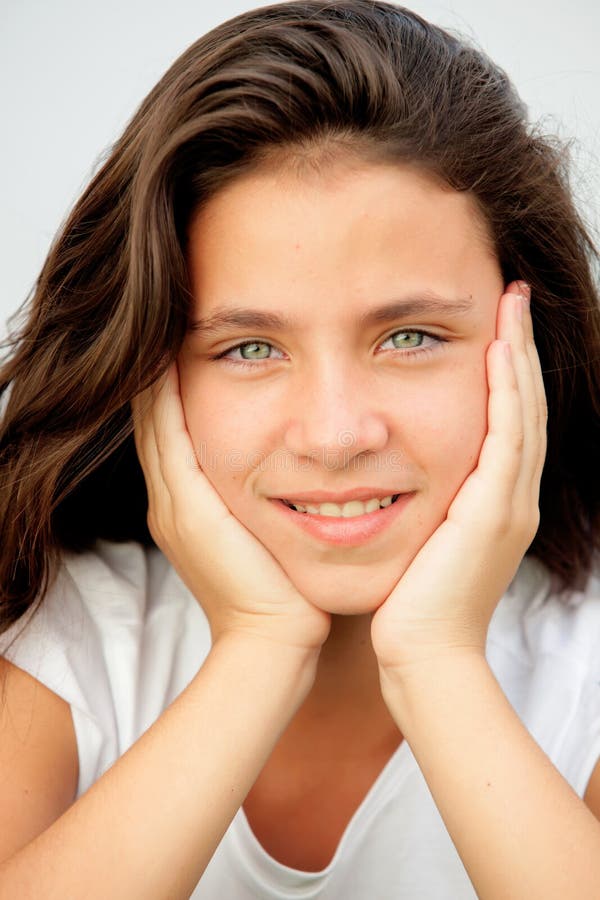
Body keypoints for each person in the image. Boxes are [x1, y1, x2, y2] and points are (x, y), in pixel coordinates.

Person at [0, 0, 599, 896]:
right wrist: (258, 647)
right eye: (249, 349)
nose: (335, 434)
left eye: (411, 336)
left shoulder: (585, 659)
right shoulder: (70, 636)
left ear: (531, 344)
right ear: (154, 376)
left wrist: (437, 658)